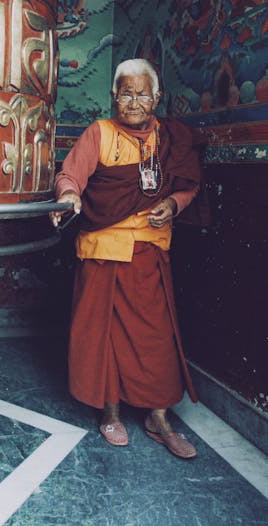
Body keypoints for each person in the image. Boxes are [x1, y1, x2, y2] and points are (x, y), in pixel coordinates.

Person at [51, 58, 201, 459]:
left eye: (142, 93)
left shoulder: (170, 139)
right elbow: (70, 176)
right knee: (105, 335)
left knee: (156, 338)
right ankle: (110, 412)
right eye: (126, 93)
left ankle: (158, 418)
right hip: (104, 250)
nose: (133, 101)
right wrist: (69, 196)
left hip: (150, 251)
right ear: (114, 96)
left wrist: (172, 203)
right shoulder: (99, 133)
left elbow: (186, 187)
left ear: (156, 98)